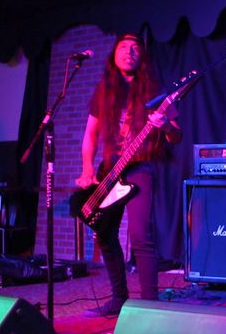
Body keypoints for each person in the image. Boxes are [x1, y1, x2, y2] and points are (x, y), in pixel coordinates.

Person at [76, 33, 182, 317]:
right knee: (104, 231)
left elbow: (176, 135)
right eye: (123, 47)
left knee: (139, 235)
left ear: (141, 56)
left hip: (140, 167)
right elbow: (90, 135)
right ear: (113, 55)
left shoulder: (153, 89)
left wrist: (165, 126)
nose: (129, 51)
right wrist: (87, 169)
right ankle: (118, 299)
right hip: (109, 169)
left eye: (135, 48)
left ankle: (150, 305)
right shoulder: (104, 90)